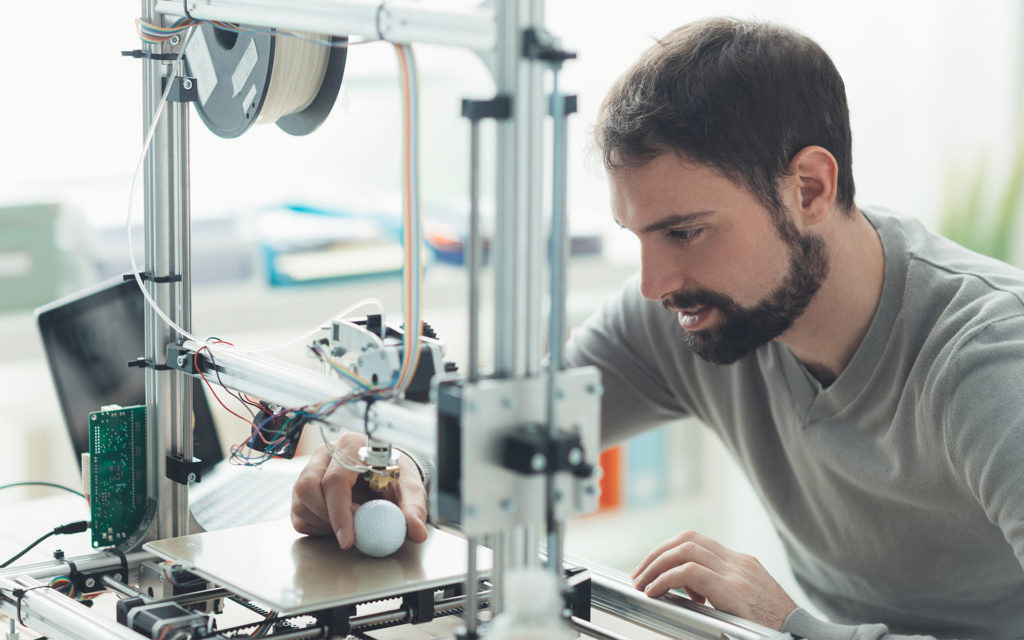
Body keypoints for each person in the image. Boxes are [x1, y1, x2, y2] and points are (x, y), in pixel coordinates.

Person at [291, 17, 1024, 640]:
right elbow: (516, 439)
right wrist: (393, 472)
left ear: (809, 188)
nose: (654, 285)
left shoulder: (991, 365)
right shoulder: (689, 313)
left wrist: (794, 625)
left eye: (686, 232)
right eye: (638, 236)